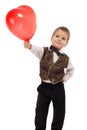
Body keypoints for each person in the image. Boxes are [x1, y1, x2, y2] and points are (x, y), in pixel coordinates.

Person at [24, 26, 74, 130]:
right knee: (40, 112)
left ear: (66, 43)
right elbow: (35, 49)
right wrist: (29, 46)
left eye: (63, 38)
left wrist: (65, 78)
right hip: (44, 87)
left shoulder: (66, 58)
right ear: (51, 38)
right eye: (57, 36)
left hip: (58, 88)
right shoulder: (43, 51)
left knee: (59, 112)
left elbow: (71, 70)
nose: (59, 39)